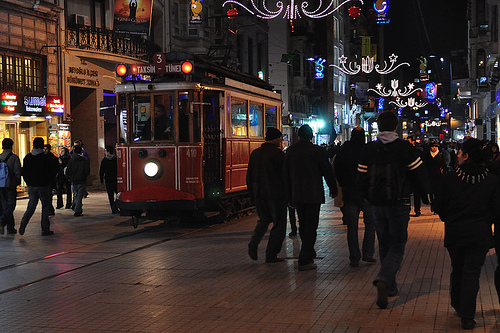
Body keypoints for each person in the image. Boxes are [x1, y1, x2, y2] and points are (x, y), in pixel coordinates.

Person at [357, 112, 430, 309]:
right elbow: (419, 174)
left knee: (384, 244)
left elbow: (361, 177)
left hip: (376, 204)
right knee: (397, 245)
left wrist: (366, 198)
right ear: (396, 126)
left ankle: (390, 286)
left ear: (378, 126)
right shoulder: (405, 148)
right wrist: (426, 197)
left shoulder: (369, 148)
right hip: (400, 203)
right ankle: (385, 278)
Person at [434, 138, 500, 330]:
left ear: (467, 155)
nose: (458, 156)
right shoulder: (492, 180)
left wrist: (449, 217)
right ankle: (467, 316)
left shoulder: (450, 178)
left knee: (458, 267)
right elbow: (496, 209)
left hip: (455, 232)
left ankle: (458, 303)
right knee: (472, 272)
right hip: (479, 233)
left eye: (460, 152)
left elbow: (439, 206)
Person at [284, 124, 337, 271]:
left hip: (298, 194)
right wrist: (333, 188)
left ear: (298, 136)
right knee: (311, 226)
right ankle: (305, 259)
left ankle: (308, 250)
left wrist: (288, 195)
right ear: (312, 136)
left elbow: (286, 175)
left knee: (303, 224)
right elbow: (326, 171)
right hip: (313, 194)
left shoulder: (291, 151)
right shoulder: (317, 151)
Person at [334, 127, 376, 267]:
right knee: (370, 223)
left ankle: (354, 256)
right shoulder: (368, 151)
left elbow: (337, 169)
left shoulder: (343, 151)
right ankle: (368, 253)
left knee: (352, 226)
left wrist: (343, 184)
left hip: (350, 193)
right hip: (367, 193)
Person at [246, 127, 287, 263]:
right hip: (275, 194)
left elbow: (249, 176)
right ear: (275, 139)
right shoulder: (278, 154)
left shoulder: (255, 153)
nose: (281, 141)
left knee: (263, 220)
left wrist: (252, 194)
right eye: (280, 138)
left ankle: (254, 242)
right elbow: (284, 176)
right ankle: (271, 254)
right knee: (279, 224)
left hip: (259, 193)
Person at [19, 137, 57, 236]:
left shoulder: (27, 157)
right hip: (44, 185)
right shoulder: (46, 158)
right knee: (45, 207)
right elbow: (51, 172)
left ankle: (24, 221)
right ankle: (45, 228)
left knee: (31, 206)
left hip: (32, 186)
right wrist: (52, 185)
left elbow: (24, 172)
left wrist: (28, 183)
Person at [0, 138, 21, 235]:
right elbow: (17, 172)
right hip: (10, 185)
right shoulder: (14, 158)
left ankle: (10, 227)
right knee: (11, 205)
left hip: (0, 185)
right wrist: (17, 183)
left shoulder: (0, 157)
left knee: (5, 206)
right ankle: (2, 220)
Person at [66, 145, 90, 217]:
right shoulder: (84, 160)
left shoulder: (71, 160)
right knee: (79, 196)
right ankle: (77, 210)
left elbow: (68, 170)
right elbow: (87, 170)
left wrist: (69, 177)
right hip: (81, 180)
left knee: (76, 194)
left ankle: (75, 206)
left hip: (73, 180)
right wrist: (85, 175)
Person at [424, 140, 446, 212]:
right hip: (429, 176)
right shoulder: (427, 155)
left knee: (437, 192)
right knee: (430, 192)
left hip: (438, 176)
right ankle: (432, 205)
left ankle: (437, 206)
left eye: (435, 146)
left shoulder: (440, 155)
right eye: (433, 146)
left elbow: (444, 165)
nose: (434, 148)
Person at [407, 135, 424, 217]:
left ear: (413, 141)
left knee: (417, 194)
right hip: (408, 176)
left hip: (416, 176)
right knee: (407, 194)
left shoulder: (418, 151)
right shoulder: (404, 151)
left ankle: (417, 209)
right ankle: (408, 209)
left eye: (409, 141)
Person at [99, 145, 118, 214]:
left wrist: (101, 179)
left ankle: (113, 208)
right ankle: (116, 206)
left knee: (110, 195)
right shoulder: (116, 159)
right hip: (116, 179)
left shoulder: (104, 160)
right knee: (118, 194)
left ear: (107, 151)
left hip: (108, 179)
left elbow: (101, 171)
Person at [43, 144, 59, 216]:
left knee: (49, 196)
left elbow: (56, 168)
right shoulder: (42, 158)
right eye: (44, 149)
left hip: (50, 179)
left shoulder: (52, 158)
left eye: (46, 149)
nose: (45, 150)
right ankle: (50, 209)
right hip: (46, 179)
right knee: (46, 196)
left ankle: (49, 209)